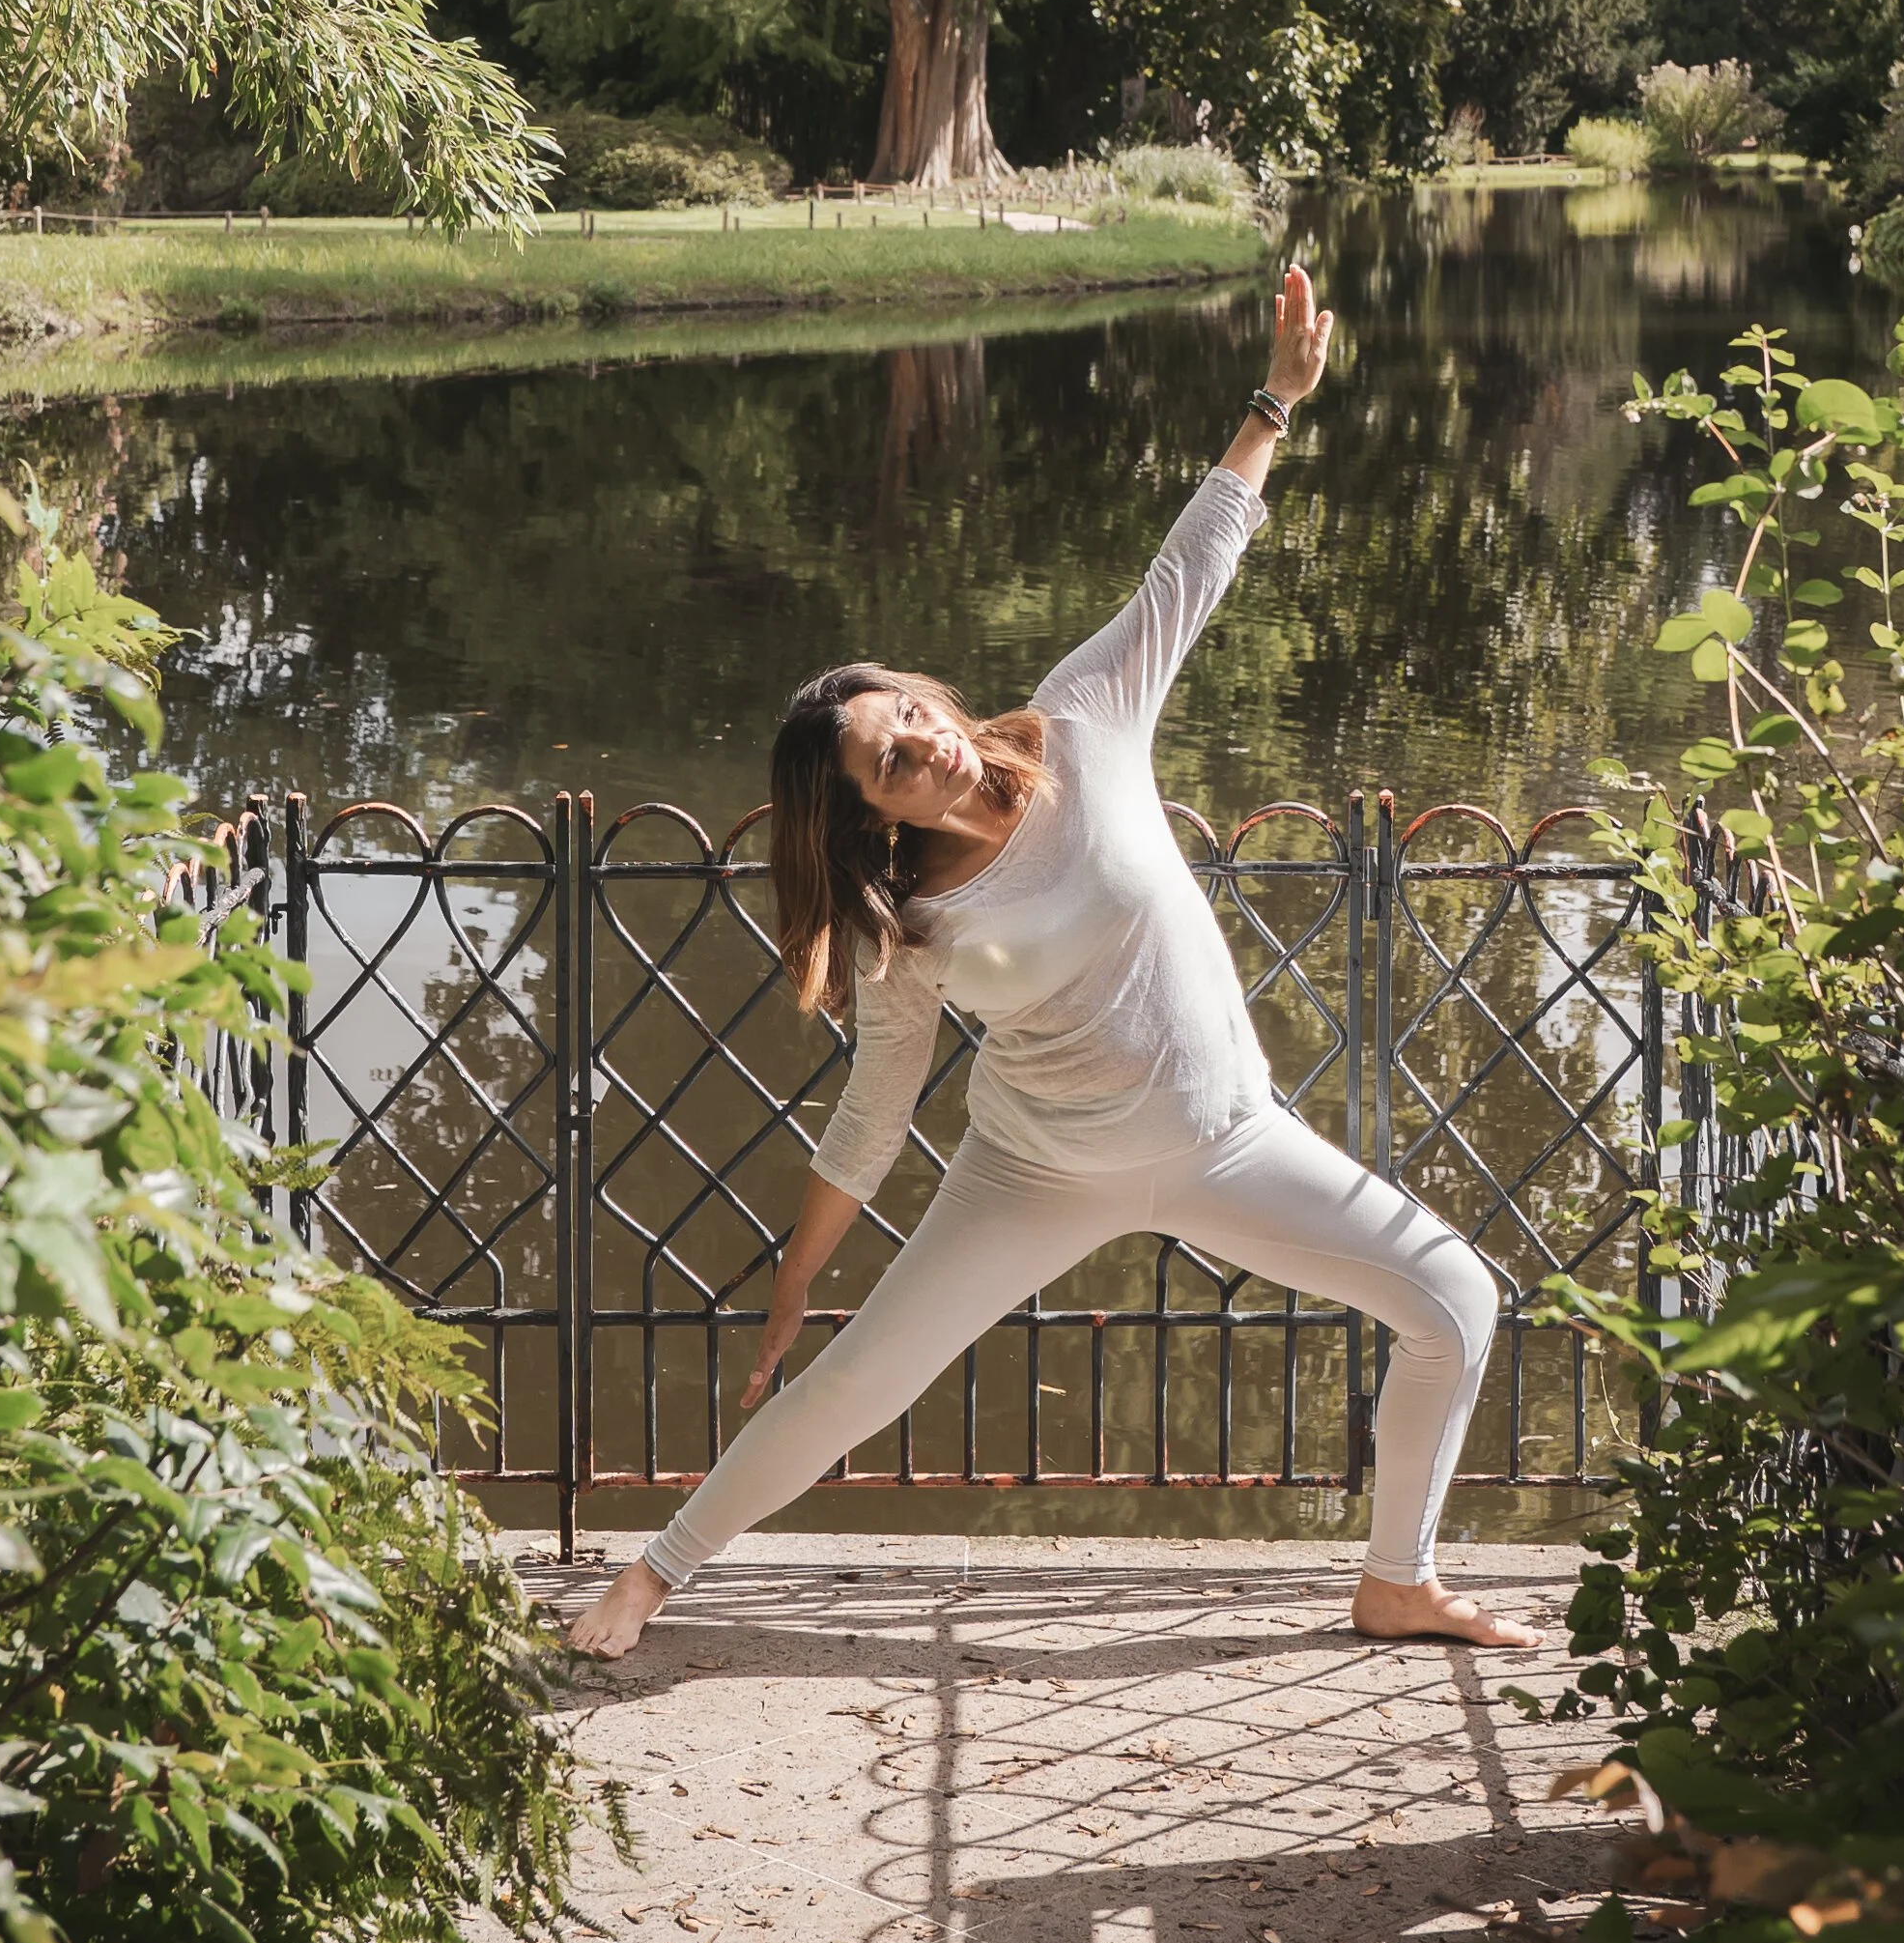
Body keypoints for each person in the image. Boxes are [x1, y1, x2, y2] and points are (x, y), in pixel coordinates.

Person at [567, 267, 1531, 1658]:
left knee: (1455, 1299)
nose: (923, 744)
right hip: (1031, 1169)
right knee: (859, 1382)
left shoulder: (1085, 720)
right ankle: (652, 1577)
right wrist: (794, 1282)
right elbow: (875, 1108)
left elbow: (1187, 572)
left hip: (1225, 1140)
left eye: (910, 713)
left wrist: (1274, 402)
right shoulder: (901, 923)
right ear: (868, 812)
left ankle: (1397, 1580)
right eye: (889, 761)